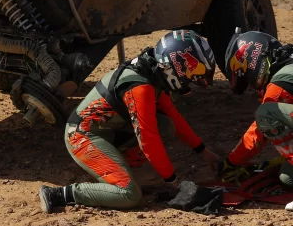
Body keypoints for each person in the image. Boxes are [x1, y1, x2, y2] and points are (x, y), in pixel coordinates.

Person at [39, 30, 220, 211]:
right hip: (82, 137)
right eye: (194, 72)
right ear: (176, 65)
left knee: (165, 125)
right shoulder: (140, 87)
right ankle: (58, 194)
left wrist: (204, 152)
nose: (190, 81)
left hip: (104, 130)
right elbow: (148, 141)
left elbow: (174, 117)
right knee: (129, 195)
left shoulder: (151, 73)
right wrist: (173, 182)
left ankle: (118, 171)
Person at [217, 30, 293, 210]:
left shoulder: (278, 87)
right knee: (287, 176)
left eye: (248, 79)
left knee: (267, 114)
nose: (252, 86)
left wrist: (232, 162)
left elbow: (258, 132)